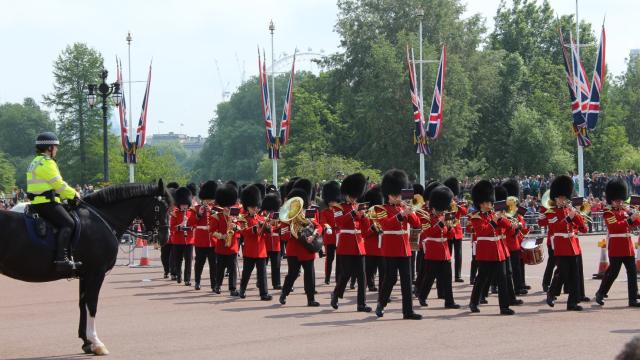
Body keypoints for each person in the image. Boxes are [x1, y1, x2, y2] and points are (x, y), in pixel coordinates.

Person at [27, 132, 80, 272]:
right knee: (69, 223)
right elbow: (59, 184)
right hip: (47, 203)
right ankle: (61, 259)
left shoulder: (35, 161)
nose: (56, 150)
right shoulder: (47, 162)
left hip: (37, 202)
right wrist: (75, 194)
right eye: (55, 147)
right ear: (49, 148)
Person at [375, 169, 422, 320]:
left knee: (407, 281)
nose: (397, 197)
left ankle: (408, 311)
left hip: (405, 248)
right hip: (390, 248)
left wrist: (411, 211)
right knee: (390, 278)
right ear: (388, 194)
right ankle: (381, 304)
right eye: (394, 195)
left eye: (398, 194)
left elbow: (417, 224)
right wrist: (401, 215)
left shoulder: (403, 207)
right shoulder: (381, 209)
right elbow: (386, 225)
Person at [540, 175, 588, 311]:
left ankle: (572, 303)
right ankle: (551, 292)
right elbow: (557, 227)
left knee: (574, 275)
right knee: (562, 273)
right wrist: (570, 217)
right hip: (560, 245)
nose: (563, 200)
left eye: (565, 198)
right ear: (555, 198)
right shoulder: (551, 212)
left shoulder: (569, 210)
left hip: (573, 245)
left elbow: (583, 229)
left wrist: (579, 218)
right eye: (561, 198)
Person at [468, 180, 514, 315]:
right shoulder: (475, 217)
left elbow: (508, 228)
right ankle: (473, 302)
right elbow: (483, 231)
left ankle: (504, 307)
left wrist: (504, 219)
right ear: (481, 203)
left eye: (490, 202)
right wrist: (494, 221)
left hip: (499, 251)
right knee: (481, 278)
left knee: (503, 279)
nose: (490, 204)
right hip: (486, 252)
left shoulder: (494, 214)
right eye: (487, 202)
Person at [595, 178, 640, 307]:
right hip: (616, 245)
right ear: (611, 200)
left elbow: (636, 223)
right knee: (613, 272)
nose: (619, 202)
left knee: (632, 272)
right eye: (617, 200)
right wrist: (629, 219)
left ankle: (633, 299)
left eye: (621, 200)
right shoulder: (608, 212)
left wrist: (634, 214)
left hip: (628, 245)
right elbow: (615, 227)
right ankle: (601, 292)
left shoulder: (625, 211)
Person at [330, 173, 371, 312]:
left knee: (362, 276)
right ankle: (336, 293)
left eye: (355, 195)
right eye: (351, 195)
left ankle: (361, 304)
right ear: (346, 194)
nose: (353, 198)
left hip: (359, 244)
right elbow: (339, 222)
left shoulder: (359, 206)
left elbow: (366, 229)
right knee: (346, 274)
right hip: (346, 245)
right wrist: (353, 214)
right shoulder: (338, 207)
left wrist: (364, 216)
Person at [416, 185, 460, 309]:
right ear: (434, 208)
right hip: (433, 251)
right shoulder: (426, 218)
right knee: (429, 278)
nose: (441, 212)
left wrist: (450, 226)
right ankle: (422, 296)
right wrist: (441, 223)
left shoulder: (445, 217)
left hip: (444, 251)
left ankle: (449, 301)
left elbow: (451, 236)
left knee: (447, 278)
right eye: (439, 210)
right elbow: (428, 233)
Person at [279, 185, 322, 307]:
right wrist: (293, 231)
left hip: (307, 249)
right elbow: (283, 236)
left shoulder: (307, 216)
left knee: (310, 274)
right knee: (292, 273)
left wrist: (313, 235)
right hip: (293, 249)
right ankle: (284, 292)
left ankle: (311, 299)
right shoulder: (286, 219)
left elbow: (319, 226)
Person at [238, 185, 272, 301]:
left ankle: (264, 293)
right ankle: (242, 290)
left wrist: (268, 228)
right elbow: (243, 232)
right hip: (250, 250)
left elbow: (266, 234)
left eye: (257, 207)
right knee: (247, 272)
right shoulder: (243, 218)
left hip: (261, 250)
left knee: (262, 274)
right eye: (253, 207)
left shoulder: (261, 218)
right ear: (248, 207)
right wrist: (255, 227)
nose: (256, 209)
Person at [210, 184, 240, 296]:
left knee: (232, 268)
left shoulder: (236, 216)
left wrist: (235, 226)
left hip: (233, 245)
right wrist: (222, 236)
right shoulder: (217, 216)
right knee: (220, 268)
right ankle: (217, 285)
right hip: (221, 245)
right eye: (226, 206)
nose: (228, 208)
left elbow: (241, 228)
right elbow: (212, 230)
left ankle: (232, 288)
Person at [193, 181, 218, 291]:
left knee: (214, 265)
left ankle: (214, 285)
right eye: (206, 199)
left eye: (210, 199)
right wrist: (199, 214)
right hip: (201, 240)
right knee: (199, 263)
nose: (208, 201)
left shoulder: (216, 209)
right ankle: (197, 281)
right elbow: (191, 222)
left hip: (213, 240)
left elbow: (220, 222)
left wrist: (212, 212)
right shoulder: (197, 208)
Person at [169, 187, 197, 286]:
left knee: (188, 261)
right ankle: (179, 276)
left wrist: (190, 227)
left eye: (186, 204)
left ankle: (187, 279)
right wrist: (180, 226)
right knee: (178, 260)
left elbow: (194, 225)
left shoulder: (191, 213)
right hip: (177, 241)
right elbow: (172, 228)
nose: (184, 206)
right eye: (182, 204)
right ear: (179, 204)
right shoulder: (174, 214)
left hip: (189, 241)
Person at [443, 177, 467, 283]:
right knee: (448, 254)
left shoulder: (458, 203)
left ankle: (458, 275)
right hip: (448, 230)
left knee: (459, 254)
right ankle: (446, 274)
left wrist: (456, 205)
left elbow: (465, 212)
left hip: (457, 231)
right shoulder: (444, 203)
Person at [319, 181, 341, 284]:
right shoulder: (325, 212)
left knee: (340, 259)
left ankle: (338, 277)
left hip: (339, 237)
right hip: (330, 237)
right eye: (331, 201)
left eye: (334, 201)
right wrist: (328, 227)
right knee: (330, 258)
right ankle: (327, 277)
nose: (332, 203)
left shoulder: (340, 211)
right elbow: (323, 222)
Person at [262, 193, 282, 290]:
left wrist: (278, 226)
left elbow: (282, 226)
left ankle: (276, 283)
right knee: (262, 266)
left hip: (276, 243)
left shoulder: (279, 215)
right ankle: (260, 281)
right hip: (266, 243)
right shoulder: (263, 214)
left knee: (276, 265)